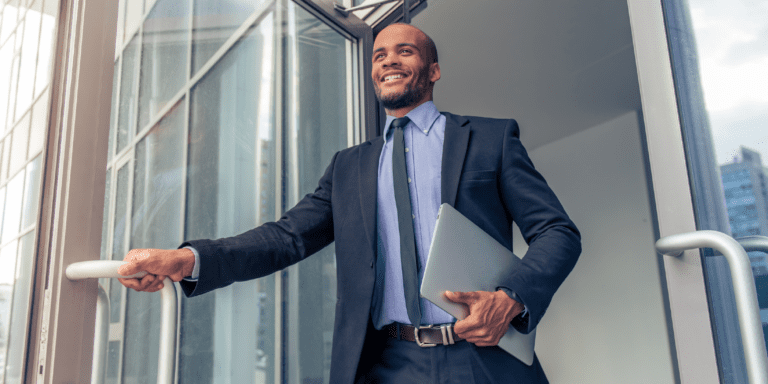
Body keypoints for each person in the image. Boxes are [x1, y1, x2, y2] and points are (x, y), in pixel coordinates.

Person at [118, 23, 581, 384]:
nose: (389, 61)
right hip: (390, 363)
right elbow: (287, 238)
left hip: (485, 360)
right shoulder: (348, 167)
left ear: (433, 70)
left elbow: (557, 232)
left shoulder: (490, 140)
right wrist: (186, 259)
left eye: (405, 50)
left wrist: (511, 299)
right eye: (379, 54)